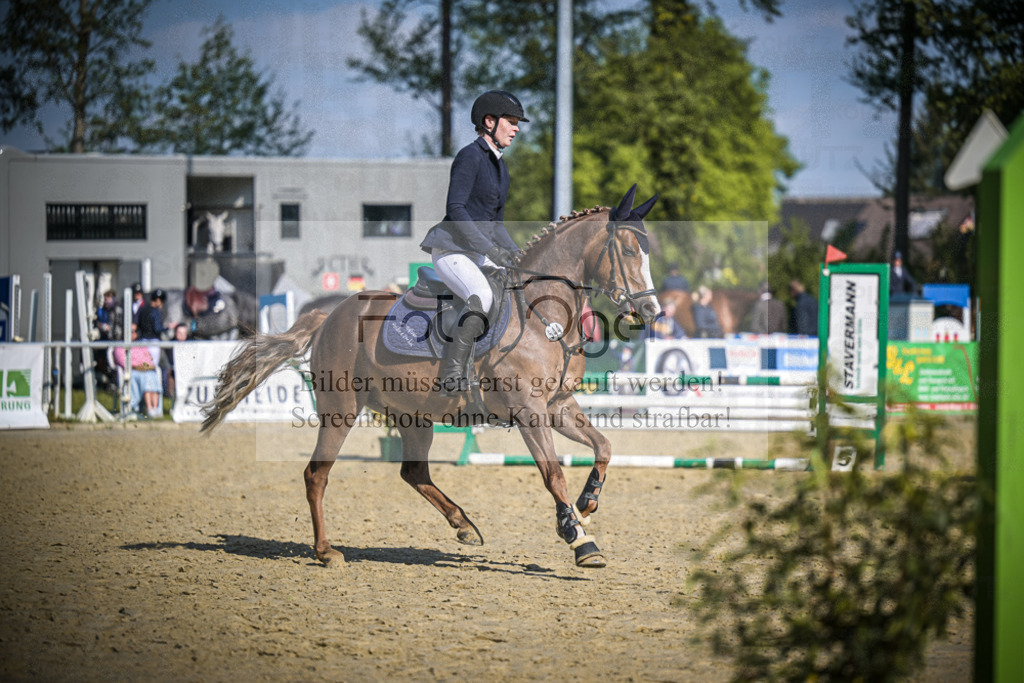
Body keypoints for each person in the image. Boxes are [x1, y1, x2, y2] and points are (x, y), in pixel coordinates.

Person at [419, 90, 528, 395]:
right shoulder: (470, 156)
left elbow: (497, 224)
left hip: (478, 252)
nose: (517, 128)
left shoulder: (500, 167)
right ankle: (452, 375)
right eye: (511, 121)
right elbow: (456, 208)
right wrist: (490, 250)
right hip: (452, 249)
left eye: (517, 123)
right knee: (481, 294)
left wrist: (519, 254)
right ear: (489, 122)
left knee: (515, 286)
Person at [112, 327, 162, 418]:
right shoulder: (119, 346)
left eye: (135, 331)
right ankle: (149, 408)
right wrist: (139, 365)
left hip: (144, 371)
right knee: (146, 378)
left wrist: (141, 365)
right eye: (131, 331)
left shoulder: (140, 346)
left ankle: (155, 409)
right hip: (130, 372)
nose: (133, 333)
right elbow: (124, 362)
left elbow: (149, 361)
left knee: (151, 375)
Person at [137, 288, 171, 367]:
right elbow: (157, 329)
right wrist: (168, 327)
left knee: (143, 367)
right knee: (153, 367)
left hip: (142, 341)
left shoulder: (142, 310)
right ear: (158, 301)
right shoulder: (156, 312)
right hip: (153, 343)